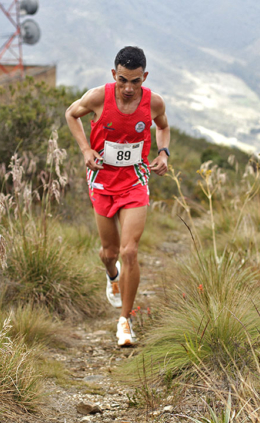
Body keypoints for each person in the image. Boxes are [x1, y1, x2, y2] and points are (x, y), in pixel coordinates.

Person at [65, 46, 170, 346]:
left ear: (144, 78)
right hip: (101, 178)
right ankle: (112, 275)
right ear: (114, 74)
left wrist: (163, 152)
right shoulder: (99, 96)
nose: (128, 88)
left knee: (130, 252)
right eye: (122, 80)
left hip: (134, 179)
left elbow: (163, 127)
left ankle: (125, 320)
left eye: (135, 81)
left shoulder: (154, 103)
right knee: (110, 254)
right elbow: (71, 114)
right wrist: (86, 149)